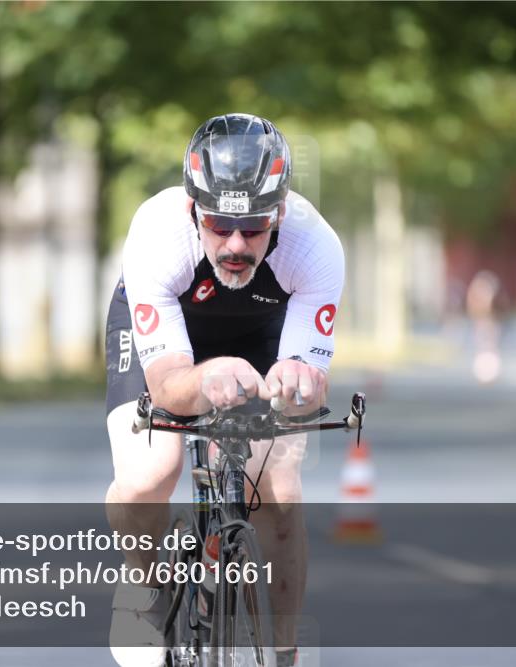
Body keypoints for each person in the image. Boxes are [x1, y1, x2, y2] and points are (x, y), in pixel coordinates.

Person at [104, 113, 345, 667]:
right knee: (148, 475)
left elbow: (309, 380)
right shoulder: (156, 236)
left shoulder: (315, 247)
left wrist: (299, 385)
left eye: (255, 226)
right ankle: (141, 583)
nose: (236, 244)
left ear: (279, 212)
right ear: (194, 208)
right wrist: (209, 378)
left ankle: (284, 653)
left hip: (262, 331)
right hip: (169, 339)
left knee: (279, 488)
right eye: (217, 224)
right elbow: (166, 386)